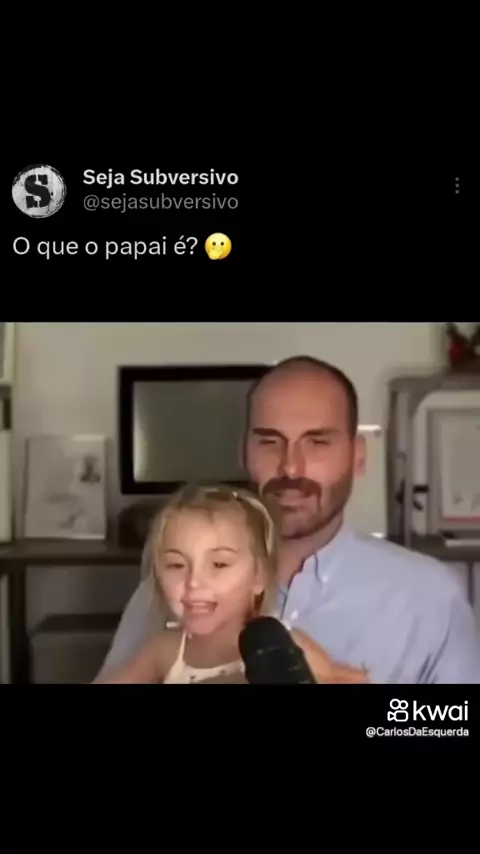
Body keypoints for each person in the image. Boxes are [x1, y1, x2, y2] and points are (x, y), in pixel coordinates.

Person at [98, 355, 480, 683]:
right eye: (269, 441)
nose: (291, 467)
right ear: (244, 452)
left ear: (358, 456)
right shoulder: (174, 588)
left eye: (318, 442)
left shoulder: (431, 598)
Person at [95, 483, 367, 684]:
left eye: (219, 564)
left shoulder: (284, 645)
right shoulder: (165, 650)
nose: (194, 582)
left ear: (259, 577)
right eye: (176, 565)